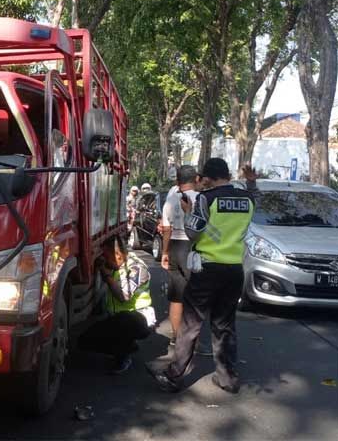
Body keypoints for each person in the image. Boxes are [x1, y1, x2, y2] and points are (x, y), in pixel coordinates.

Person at [148, 158, 258, 394]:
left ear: (207, 177)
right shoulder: (247, 199)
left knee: (191, 325)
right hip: (234, 269)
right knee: (224, 324)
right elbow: (255, 198)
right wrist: (251, 183)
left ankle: (175, 376)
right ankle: (227, 378)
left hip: (208, 269)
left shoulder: (207, 199)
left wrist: (189, 213)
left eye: (203, 177)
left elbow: (193, 234)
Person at [79, 235, 154, 374]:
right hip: (120, 318)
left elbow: (123, 297)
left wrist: (106, 276)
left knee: (125, 320)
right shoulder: (117, 264)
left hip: (140, 319)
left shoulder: (136, 268)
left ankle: (124, 355)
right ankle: (127, 345)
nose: (105, 260)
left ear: (118, 255)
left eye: (106, 256)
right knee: (84, 341)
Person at [160, 166, 199, 345]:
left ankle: (177, 337)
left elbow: (166, 229)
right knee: (195, 296)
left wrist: (165, 252)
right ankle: (193, 341)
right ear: (196, 179)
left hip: (175, 245)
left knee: (176, 295)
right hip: (193, 247)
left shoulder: (170, 199)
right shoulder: (201, 199)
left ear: (177, 181)